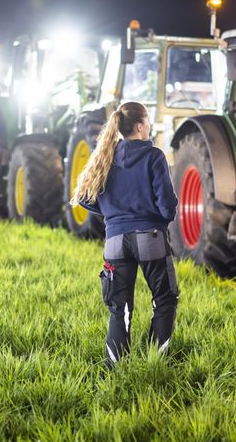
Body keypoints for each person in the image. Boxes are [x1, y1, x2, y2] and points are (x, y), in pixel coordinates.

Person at [71, 101, 179, 369]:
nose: (150, 126)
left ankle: (116, 368)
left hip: (115, 241)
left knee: (120, 308)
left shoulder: (106, 154)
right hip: (150, 237)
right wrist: (157, 219)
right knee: (164, 299)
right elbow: (167, 204)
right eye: (148, 121)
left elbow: (83, 197)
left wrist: (113, 214)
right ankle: (155, 362)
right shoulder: (154, 156)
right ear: (140, 126)